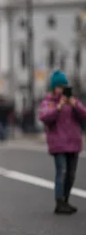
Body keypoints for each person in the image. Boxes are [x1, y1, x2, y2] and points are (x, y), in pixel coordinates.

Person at [38, 70, 86, 214]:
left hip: (74, 142)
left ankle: (66, 200)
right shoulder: (49, 102)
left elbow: (84, 114)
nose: (61, 88)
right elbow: (44, 117)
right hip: (58, 143)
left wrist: (74, 105)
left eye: (64, 85)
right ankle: (59, 202)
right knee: (62, 171)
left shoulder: (73, 100)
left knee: (71, 174)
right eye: (59, 86)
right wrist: (58, 107)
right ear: (54, 87)